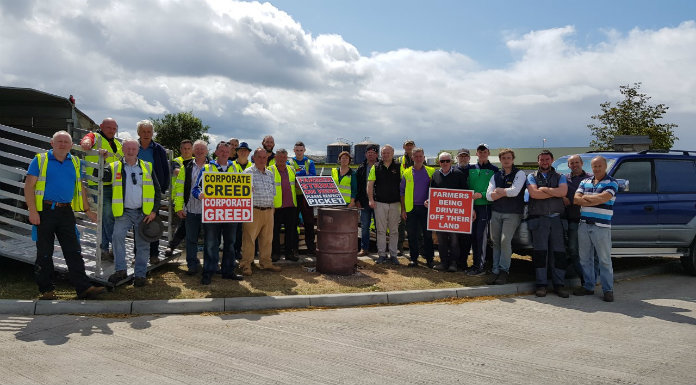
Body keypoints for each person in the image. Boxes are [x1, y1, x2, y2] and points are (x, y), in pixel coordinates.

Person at [25, 130, 105, 300]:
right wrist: (32, 211)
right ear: (52, 143)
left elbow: (80, 188)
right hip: (44, 211)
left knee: (74, 250)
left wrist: (87, 210)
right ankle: (46, 290)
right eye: (59, 141)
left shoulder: (75, 162)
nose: (62, 144)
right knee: (45, 252)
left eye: (66, 142)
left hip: (66, 212)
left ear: (70, 145)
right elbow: (29, 186)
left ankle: (84, 288)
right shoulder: (40, 160)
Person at [105, 139, 162, 287]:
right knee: (117, 237)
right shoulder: (114, 166)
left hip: (143, 213)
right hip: (123, 212)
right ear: (123, 150)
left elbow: (157, 190)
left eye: (133, 149)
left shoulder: (147, 167)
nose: (131, 151)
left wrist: (154, 211)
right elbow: (98, 175)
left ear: (138, 150)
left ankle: (140, 275)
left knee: (143, 244)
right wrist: (101, 159)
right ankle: (121, 270)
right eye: (128, 148)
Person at [192, 141, 244, 285]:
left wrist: (248, 189)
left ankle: (228, 271)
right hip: (212, 213)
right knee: (210, 243)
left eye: (226, 152)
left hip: (231, 213)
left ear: (230, 153)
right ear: (215, 152)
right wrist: (199, 195)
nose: (224, 154)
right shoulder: (207, 168)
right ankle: (209, 271)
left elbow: (244, 185)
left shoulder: (235, 167)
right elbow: (195, 189)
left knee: (230, 243)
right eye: (221, 151)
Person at [573, 156, 619, 302]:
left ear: (605, 166)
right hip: (584, 225)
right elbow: (575, 199)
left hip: (601, 227)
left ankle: (608, 290)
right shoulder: (584, 181)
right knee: (585, 259)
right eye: (594, 166)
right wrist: (595, 198)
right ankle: (588, 286)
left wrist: (586, 199)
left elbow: (603, 198)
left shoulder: (612, 182)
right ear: (591, 167)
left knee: (604, 260)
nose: (597, 168)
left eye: (599, 166)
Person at [526, 150, 569, 298]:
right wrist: (553, 192)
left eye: (547, 159)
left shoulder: (560, 176)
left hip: (557, 219)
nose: (544, 162)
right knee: (540, 253)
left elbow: (563, 192)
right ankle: (541, 285)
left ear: (552, 160)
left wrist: (544, 189)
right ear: (538, 161)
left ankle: (559, 285)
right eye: (542, 160)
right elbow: (534, 194)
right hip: (539, 219)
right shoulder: (531, 177)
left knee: (558, 253)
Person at [80, 117, 123, 261]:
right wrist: (87, 143)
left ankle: (104, 248)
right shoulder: (95, 137)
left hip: (114, 185)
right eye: (109, 127)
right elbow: (86, 141)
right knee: (108, 216)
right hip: (98, 183)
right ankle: (113, 247)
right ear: (101, 126)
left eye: (114, 128)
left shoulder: (117, 143)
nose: (111, 131)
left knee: (109, 217)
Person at [485, 149, 526, 285]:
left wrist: (499, 191)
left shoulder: (519, 174)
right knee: (495, 241)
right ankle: (495, 270)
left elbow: (515, 192)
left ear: (513, 159)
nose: (506, 160)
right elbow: (488, 196)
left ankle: (504, 271)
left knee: (504, 241)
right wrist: (503, 192)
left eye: (509, 158)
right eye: (504, 158)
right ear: (500, 160)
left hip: (513, 213)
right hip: (496, 212)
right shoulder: (496, 175)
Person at [240, 147, 281, 276]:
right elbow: (240, 193)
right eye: (260, 157)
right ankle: (246, 264)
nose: (263, 160)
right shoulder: (247, 173)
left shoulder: (270, 173)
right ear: (254, 158)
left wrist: (272, 208)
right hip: (253, 210)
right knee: (249, 239)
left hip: (269, 211)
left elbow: (272, 192)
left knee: (267, 239)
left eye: (265, 157)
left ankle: (265, 262)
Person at [172, 140, 209, 275]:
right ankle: (192, 265)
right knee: (191, 239)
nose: (199, 151)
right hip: (191, 209)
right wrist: (178, 206)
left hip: (209, 211)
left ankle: (209, 265)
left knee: (210, 240)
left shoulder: (213, 167)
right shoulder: (186, 167)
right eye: (197, 149)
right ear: (193, 151)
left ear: (207, 151)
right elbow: (179, 188)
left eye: (202, 149)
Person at [135, 120, 170, 263]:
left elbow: (165, 170)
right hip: (135, 190)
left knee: (153, 222)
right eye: (143, 131)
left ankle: (154, 254)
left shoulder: (158, 149)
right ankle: (138, 256)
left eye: (149, 131)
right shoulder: (133, 147)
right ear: (138, 133)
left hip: (153, 191)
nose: (146, 134)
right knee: (138, 224)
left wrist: (162, 188)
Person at [428, 152, 468, 272]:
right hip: (440, 216)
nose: (445, 163)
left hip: (454, 216)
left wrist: (470, 210)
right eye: (442, 161)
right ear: (438, 162)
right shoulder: (435, 175)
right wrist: (428, 201)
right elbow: (432, 193)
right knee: (441, 240)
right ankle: (444, 262)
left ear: (451, 162)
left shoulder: (459, 174)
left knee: (455, 240)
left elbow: (466, 193)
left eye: (447, 161)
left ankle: (454, 263)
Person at [466, 144, 499, 276]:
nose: (482, 153)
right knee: (473, 236)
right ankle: (475, 264)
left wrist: (483, 195)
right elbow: (467, 187)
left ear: (488, 153)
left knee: (481, 236)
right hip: (472, 208)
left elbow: (495, 190)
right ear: (477, 153)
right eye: (480, 151)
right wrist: (471, 206)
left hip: (485, 207)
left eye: (485, 151)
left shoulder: (494, 169)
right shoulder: (471, 168)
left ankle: (480, 266)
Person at [400, 147, 435, 268]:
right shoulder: (407, 172)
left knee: (427, 235)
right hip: (411, 208)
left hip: (427, 209)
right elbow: (402, 192)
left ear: (424, 157)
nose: (419, 158)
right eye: (416, 156)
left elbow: (436, 190)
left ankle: (430, 259)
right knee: (412, 235)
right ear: (412, 157)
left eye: (421, 156)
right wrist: (403, 209)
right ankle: (413, 259)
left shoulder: (431, 172)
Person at [368, 144, 402, 265]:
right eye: (383, 153)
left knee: (394, 231)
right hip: (380, 203)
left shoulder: (399, 167)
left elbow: (403, 186)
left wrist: (403, 205)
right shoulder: (376, 167)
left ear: (392, 153)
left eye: (388, 153)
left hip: (395, 203)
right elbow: (370, 184)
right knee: (381, 231)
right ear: (381, 154)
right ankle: (381, 254)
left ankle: (393, 255)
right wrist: (371, 199)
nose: (385, 155)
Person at [564, 154, 591, 282]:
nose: (574, 165)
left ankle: (591, 279)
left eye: (576, 162)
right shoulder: (564, 179)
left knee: (590, 252)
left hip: (589, 221)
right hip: (572, 220)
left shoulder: (591, 178)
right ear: (568, 165)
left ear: (582, 163)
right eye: (571, 163)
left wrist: (574, 200)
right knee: (573, 250)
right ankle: (585, 280)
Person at [165, 139, 194, 257]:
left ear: (192, 149)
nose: (186, 151)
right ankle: (171, 246)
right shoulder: (176, 161)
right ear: (180, 149)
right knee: (184, 225)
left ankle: (171, 246)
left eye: (188, 148)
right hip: (180, 199)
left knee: (185, 226)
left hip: (195, 198)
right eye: (184, 148)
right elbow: (177, 172)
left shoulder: (197, 162)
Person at [271, 149, 299, 261]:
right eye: (280, 157)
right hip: (276, 206)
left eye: (284, 157)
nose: (282, 159)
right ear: (275, 158)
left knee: (291, 231)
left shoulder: (291, 169)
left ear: (287, 158)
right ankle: (275, 253)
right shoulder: (270, 170)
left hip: (291, 206)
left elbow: (296, 184)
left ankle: (289, 253)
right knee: (275, 231)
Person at [290, 141, 317, 255]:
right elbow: (289, 177)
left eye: (301, 150)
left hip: (307, 197)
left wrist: (298, 175)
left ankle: (311, 248)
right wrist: (304, 173)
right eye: (297, 150)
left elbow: (313, 177)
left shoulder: (309, 162)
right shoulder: (289, 162)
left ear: (304, 150)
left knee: (309, 223)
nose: (299, 152)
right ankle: (294, 248)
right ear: (294, 150)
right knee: (293, 224)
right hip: (294, 196)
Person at [356, 144, 379, 256]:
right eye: (368, 153)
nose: (370, 155)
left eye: (373, 153)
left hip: (378, 201)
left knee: (380, 226)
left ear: (376, 154)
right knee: (365, 226)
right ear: (365, 154)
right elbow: (358, 186)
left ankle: (380, 249)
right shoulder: (361, 168)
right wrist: (357, 200)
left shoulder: (381, 166)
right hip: (364, 201)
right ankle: (364, 248)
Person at [232, 141, 253, 256]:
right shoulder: (230, 165)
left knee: (248, 229)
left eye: (245, 151)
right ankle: (235, 250)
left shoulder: (253, 166)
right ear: (237, 152)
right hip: (234, 202)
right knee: (236, 229)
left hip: (250, 202)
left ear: (249, 153)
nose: (243, 152)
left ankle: (247, 251)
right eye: (241, 151)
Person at [454, 148, 472, 270]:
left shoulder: (474, 170)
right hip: (454, 209)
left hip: (470, 207)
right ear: (457, 158)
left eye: (465, 156)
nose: (463, 158)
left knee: (467, 238)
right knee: (455, 238)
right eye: (461, 156)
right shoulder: (452, 170)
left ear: (469, 158)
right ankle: (454, 261)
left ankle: (463, 262)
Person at [397, 140, 416, 255]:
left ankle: (417, 248)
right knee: (401, 223)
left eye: (411, 145)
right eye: (407, 145)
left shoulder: (419, 158)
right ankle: (400, 247)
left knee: (415, 223)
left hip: (415, 194)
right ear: (404, 147)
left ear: (414, 146)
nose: (409, 147)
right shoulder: (399, 160)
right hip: (403, 194)